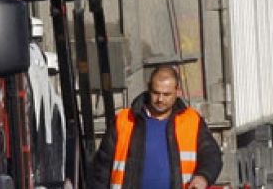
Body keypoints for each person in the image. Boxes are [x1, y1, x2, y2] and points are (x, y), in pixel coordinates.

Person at [88, 64, 222, 189]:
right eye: (156, 93)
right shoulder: (124, 120)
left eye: (167, 94)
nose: (160, 99)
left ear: (178, 91)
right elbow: (102, 168)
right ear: (148, 88)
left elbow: (211, 155)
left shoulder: (192, 121)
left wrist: (203, 177)